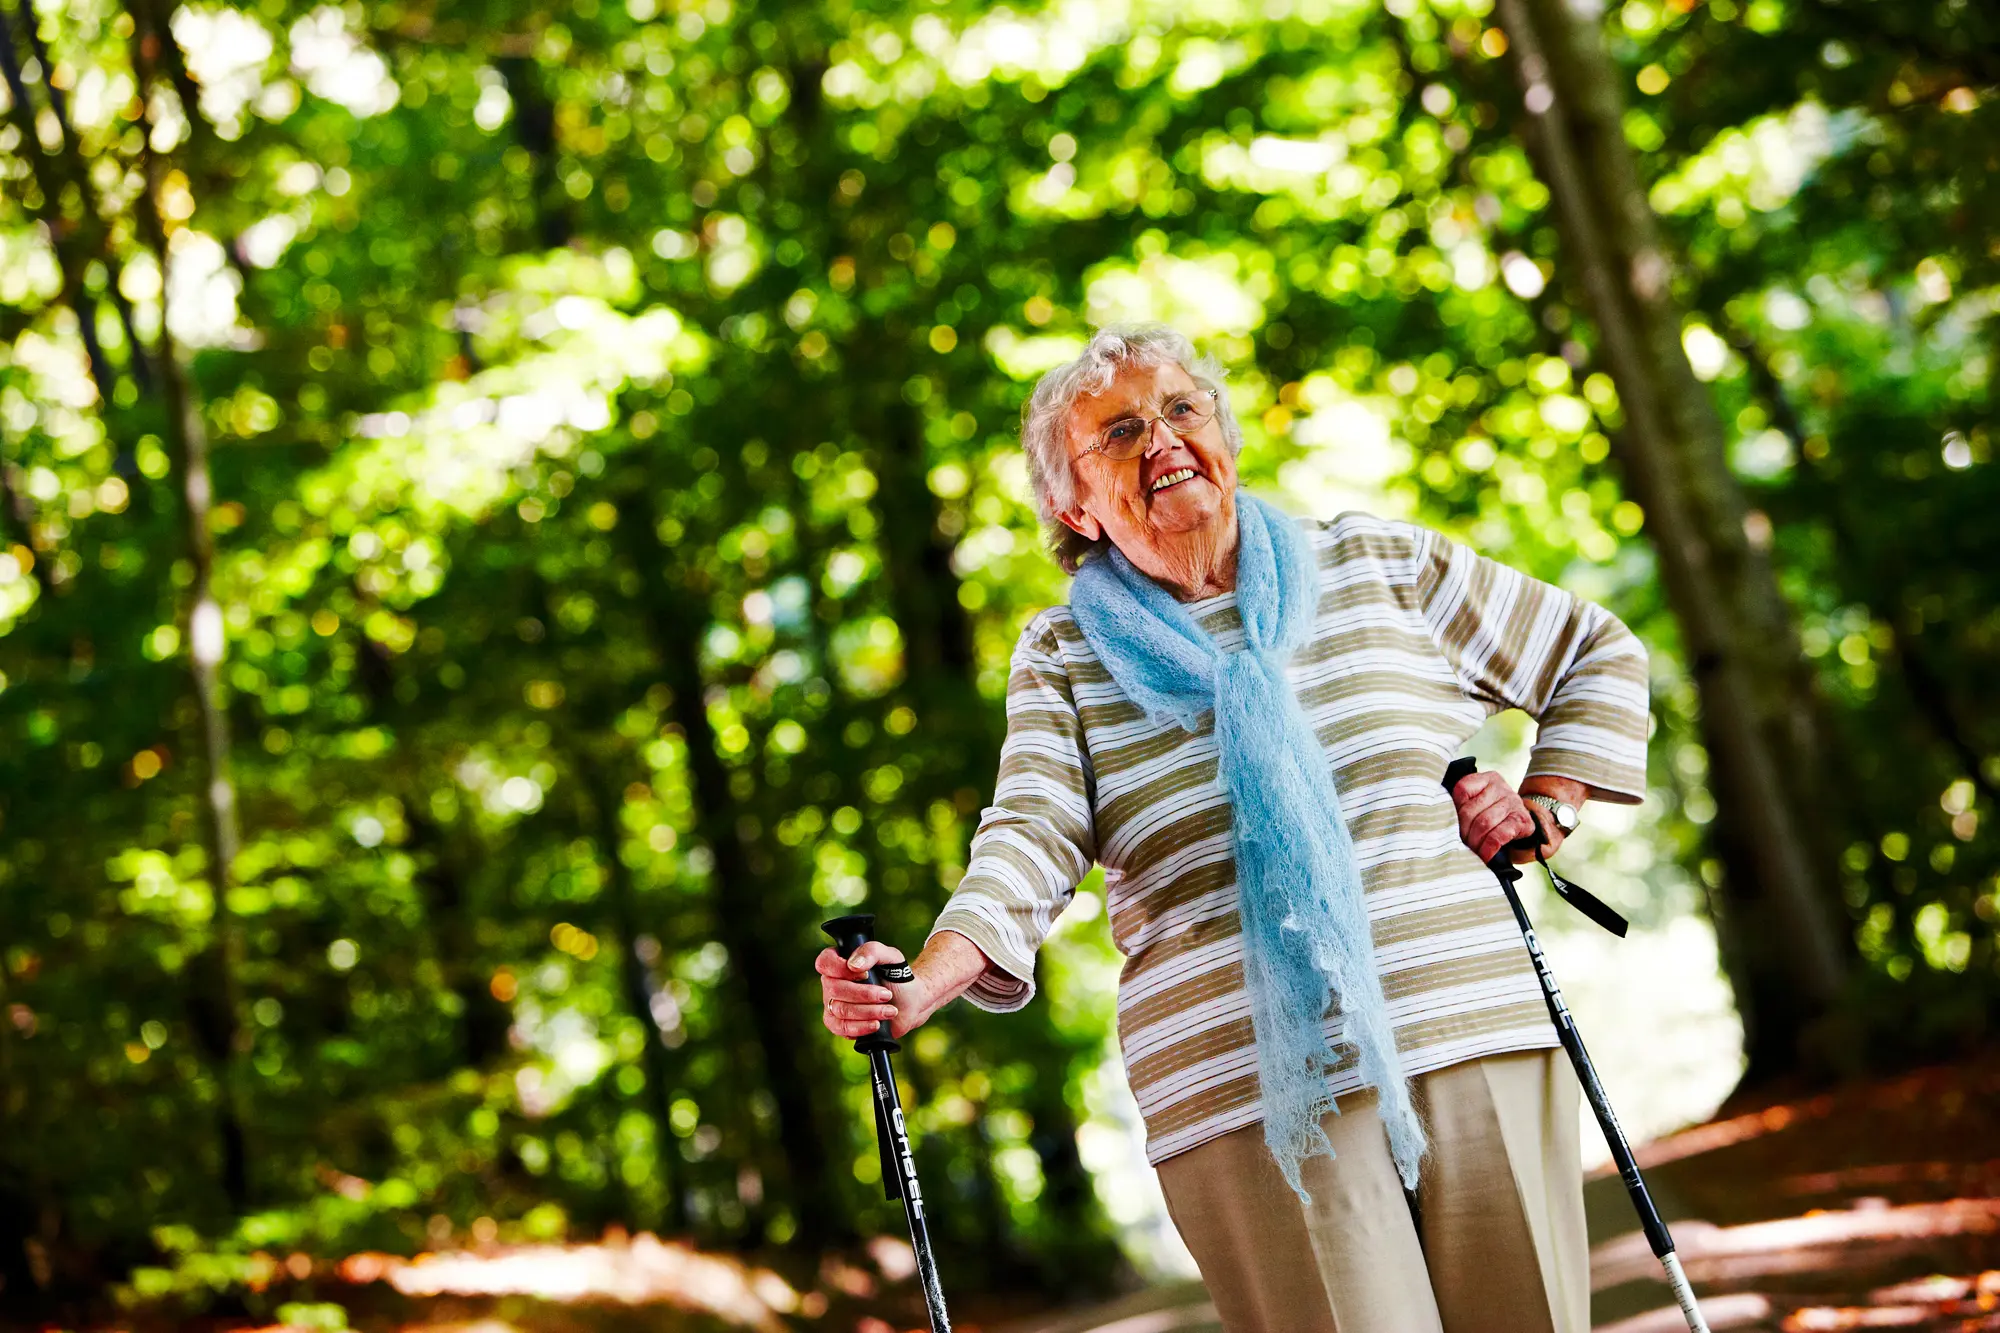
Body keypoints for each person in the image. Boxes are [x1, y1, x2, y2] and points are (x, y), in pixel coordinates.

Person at [814, 325, 1650, 1333]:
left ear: (1223, 434)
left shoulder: (1374, 562)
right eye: (1116, 431)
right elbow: (1026, 835)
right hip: (1246, 1089)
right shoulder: (1064, 657)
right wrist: (921, 984)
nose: (1160, 437)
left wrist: (1546, 803)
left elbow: (1590, 651)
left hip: (1464, 1017)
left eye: (1180, 408)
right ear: (1067, 504)